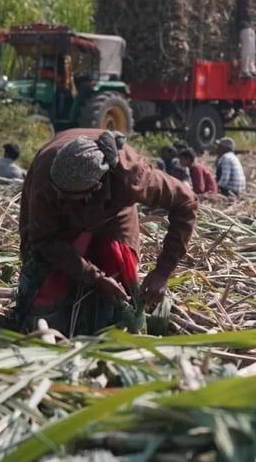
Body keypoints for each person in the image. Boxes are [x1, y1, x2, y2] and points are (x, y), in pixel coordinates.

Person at [16, 129, 197, 336]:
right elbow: (44, 240)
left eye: (67, 195)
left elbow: (186, 201)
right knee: (44, 287)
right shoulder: (47, 182)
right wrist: (94, 277)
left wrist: (162, 272)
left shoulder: (131, 179)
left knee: (119, 286)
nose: (59, 196)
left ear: (95, 187)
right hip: (54, 204)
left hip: (112, 212)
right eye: (59, 191)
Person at [235, 0, 256, 79]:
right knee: (247, 49)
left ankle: (252, 68)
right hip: (244, 28)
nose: (250, 1)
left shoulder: (247, 9)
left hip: (249, 28)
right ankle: (245, 70)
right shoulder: (241, 6)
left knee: (252, 50)